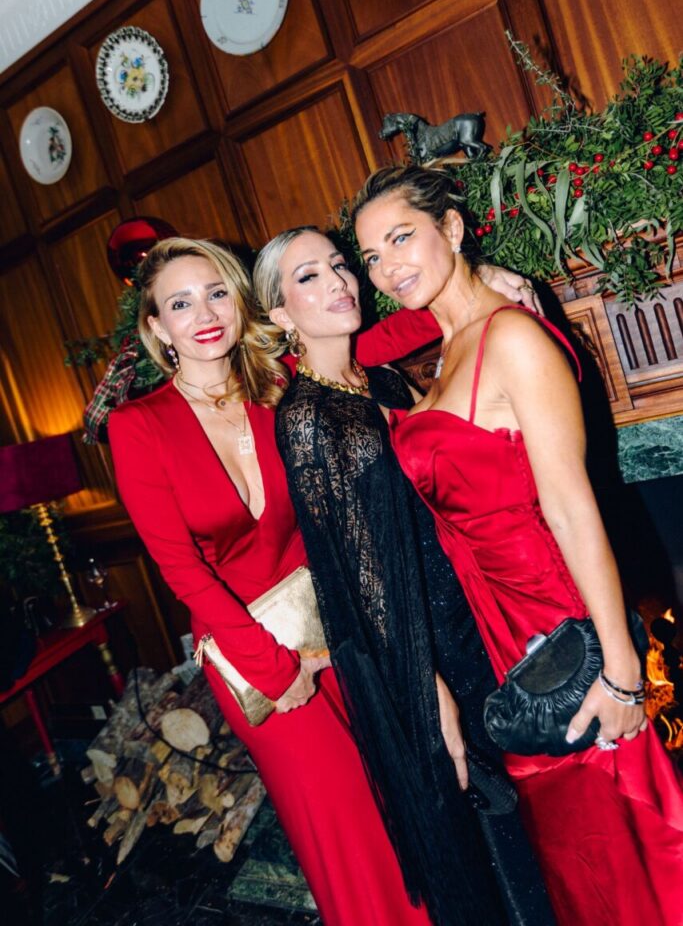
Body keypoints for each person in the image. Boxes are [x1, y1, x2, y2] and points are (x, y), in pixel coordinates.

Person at [107, 235, 537, 925]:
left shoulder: (274, 382)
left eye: (217, 292)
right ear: (156, 327)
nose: (205, 314)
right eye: (180, 304)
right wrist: (274, 669)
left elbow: (364, 340)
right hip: (258, 662)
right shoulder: (139, 426)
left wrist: (470, 284)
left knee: (402, 808)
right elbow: (180, 570)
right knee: (345, 833)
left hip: (344, 630)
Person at [351, 164, 683, 926]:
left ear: (454, 229)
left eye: (401, 237)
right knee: (577, 864)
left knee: (624, 848)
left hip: (557, 624)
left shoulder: (512, 338)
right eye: (371, 257)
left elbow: (571, 507)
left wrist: (624, 672)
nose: (387, 266)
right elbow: (340, 347)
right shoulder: (443, 350)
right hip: (499, 638)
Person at [254, 227, 556, 926]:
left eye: (338, 265)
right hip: (424, 652)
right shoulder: (305, 418)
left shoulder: (378, 380)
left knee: (528, 815)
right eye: (308, 278)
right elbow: (363, 582)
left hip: (470, 615)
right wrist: (429, 693)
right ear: (278, 315)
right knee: (493, 838)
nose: (336, 282)